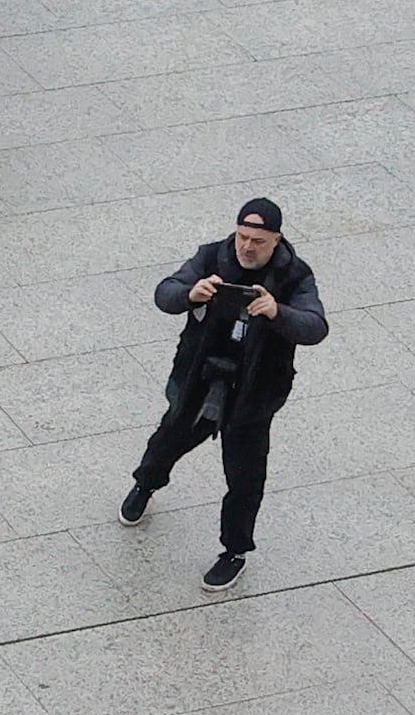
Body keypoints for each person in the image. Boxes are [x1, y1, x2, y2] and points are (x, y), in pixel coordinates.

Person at [120, 198, 329, 588]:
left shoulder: (294, 276)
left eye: (258, 241)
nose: (247, 247)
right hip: (199, 378)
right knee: (167, 441)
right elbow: (165, 293)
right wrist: (191, 294)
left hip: (253, 393)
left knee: (246, 477)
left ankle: (234, 550)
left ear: (277, 241)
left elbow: (315, 326)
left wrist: (276, 312)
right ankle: (145, 485)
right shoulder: (212, 257)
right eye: (243, 237)